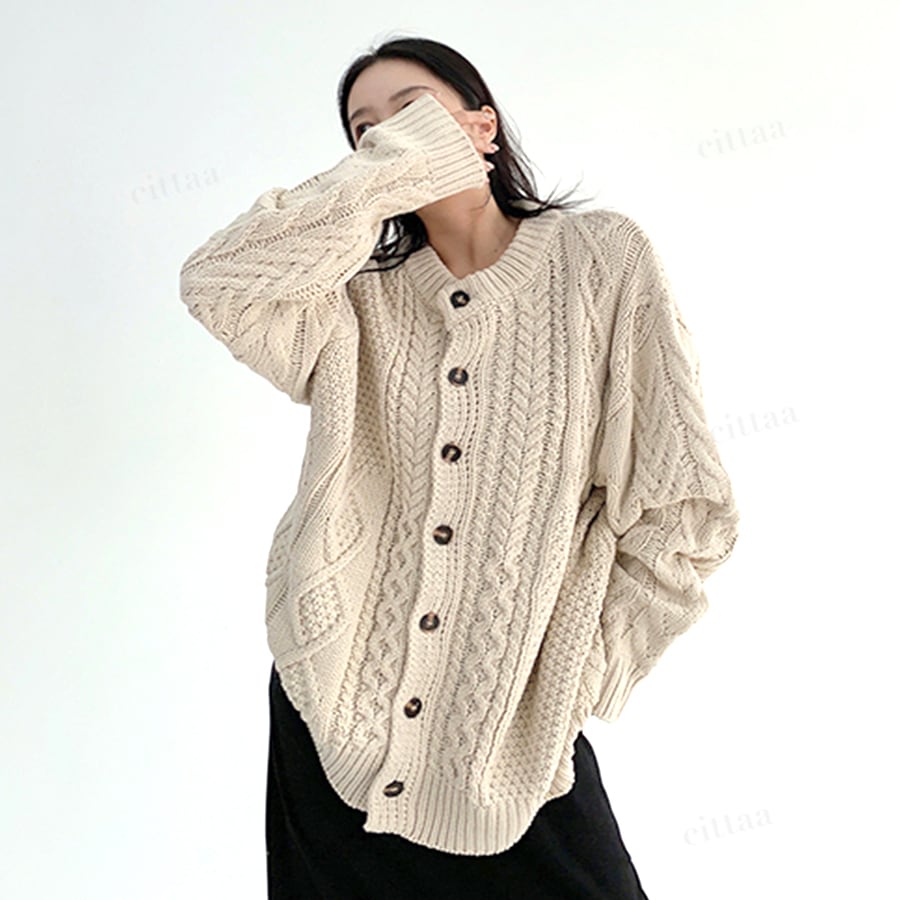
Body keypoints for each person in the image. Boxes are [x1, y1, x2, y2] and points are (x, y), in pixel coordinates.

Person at [179, 33, 740, 900]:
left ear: (483, 125)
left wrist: (576, 675)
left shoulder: (601, 260)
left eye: (411, 112)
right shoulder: (350, 295)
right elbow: (219, 283)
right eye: (364, 131)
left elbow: (683, 508)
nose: (386, 139)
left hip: (512, 724)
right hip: (333, 698)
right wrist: (377, 181)